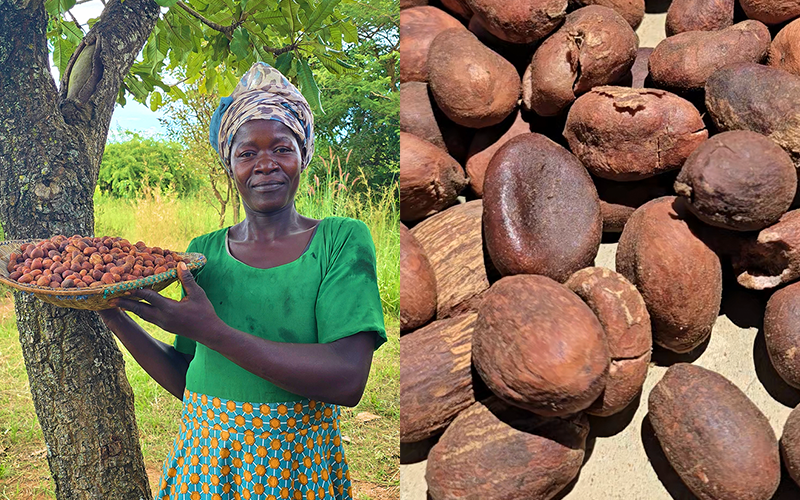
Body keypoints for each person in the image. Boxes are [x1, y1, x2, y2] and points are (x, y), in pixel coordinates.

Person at [98, 62, 387, 500]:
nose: (265, 164)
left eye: (282, 149)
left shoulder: (339, 241)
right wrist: (112, 313)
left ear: (303, 156)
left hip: (292, 464)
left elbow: (347, 380)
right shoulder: (203, 253)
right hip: (206, 461)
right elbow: (188, 378)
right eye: (247, 153)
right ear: (228, 164)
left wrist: (211, 330)